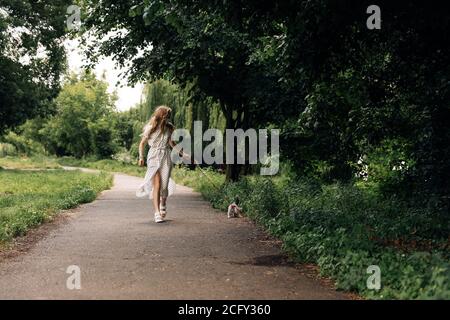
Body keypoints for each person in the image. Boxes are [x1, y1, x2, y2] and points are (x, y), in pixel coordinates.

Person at [136, 105, 189, 223]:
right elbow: (142, 144)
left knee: (164, 185)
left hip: (166, 156)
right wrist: (141, 157)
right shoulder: (150, 128)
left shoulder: (169, 128)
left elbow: (172, 144)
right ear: (162, 115)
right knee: (157, 183)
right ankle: (157, 213)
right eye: (167, 115)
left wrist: (183, 154)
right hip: (153, 156)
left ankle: (163, 203)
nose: (169, 117)